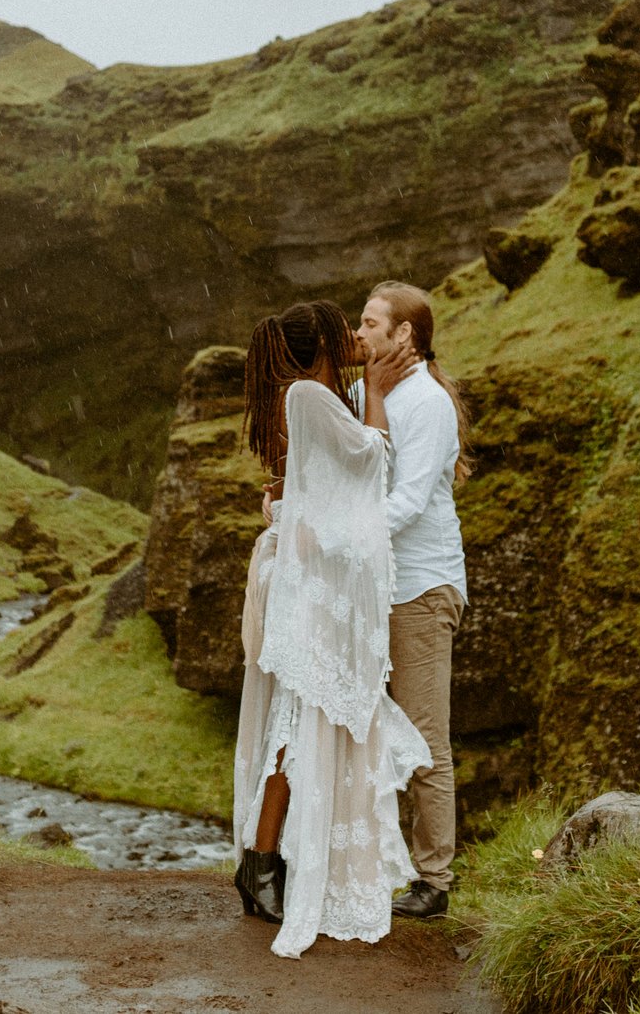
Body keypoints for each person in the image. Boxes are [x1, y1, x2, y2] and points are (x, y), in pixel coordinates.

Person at [230, 299, 432, 958]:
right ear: (321, 341)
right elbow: (371, 459)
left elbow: (322, 486)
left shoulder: (309, 396)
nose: (355, 336)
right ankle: (263, 862)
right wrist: (374, 390)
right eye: (344, 328)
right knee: (302, 718)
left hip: (313, 582)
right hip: (312, 590)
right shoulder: (313, 398)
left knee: (302, 718)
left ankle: (265, 863)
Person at [356, 279, 469, 921]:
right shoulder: (370, 392)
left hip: (421, 589)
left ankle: (434, 881)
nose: (360, 334)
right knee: (376, 730)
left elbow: (405, 503)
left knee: (425, 738)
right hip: (376, 587)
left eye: (372, 324)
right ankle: (387, 862)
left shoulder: (426, 403)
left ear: (405, 335)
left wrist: (336, 534)